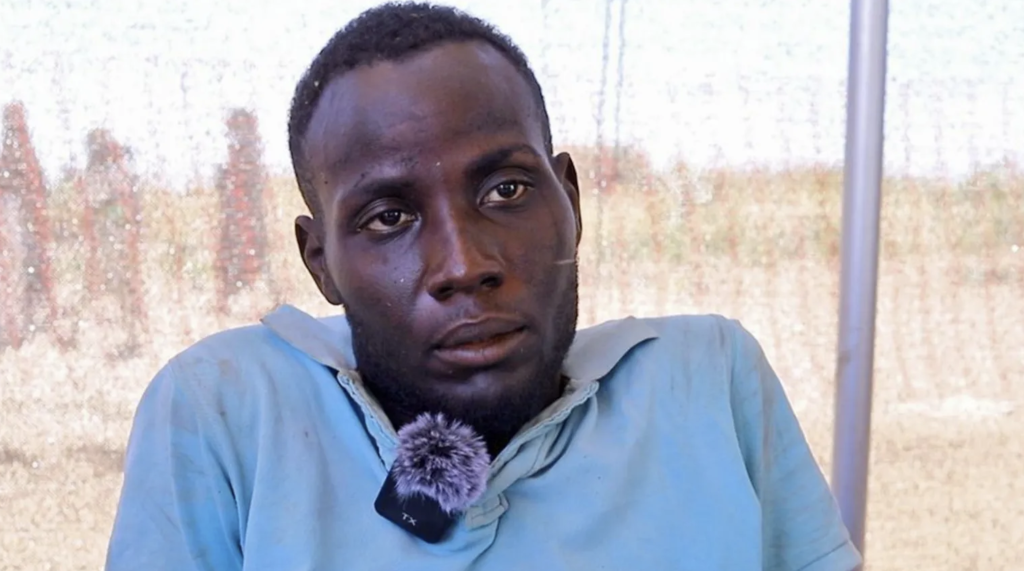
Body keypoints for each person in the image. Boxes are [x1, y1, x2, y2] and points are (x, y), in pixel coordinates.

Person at [106, 3, 862, 570]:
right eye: (389, 217)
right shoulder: (229, 409)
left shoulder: (704, 382)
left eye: (506, 190)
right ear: (321, 261)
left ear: (570, 200)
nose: (464, 264)